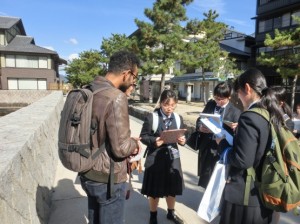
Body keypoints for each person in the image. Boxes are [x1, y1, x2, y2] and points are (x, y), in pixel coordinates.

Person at [79, 50, 141, 224]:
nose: (134, 81)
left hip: (88, 171)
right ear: (126, 73)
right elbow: (121, 148)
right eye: (135, 77)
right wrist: (134, 144)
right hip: (108, 179)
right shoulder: (116, 98)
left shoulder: (90, 90)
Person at [216, 68, 281, 224]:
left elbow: (242, 160)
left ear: (247, 88)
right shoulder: (271, 112)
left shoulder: (249, 117)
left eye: (238, 92)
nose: (237, 97)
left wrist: (222, 144)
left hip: (245, 195)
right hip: (265, 190)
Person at [140, 89, 186, 224]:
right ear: (161, 104)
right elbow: (143, 136)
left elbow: (181, 135)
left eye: (172, 105)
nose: (169, 108)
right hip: (155, 157)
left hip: (173, 157)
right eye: (166, 105)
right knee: (154, 189)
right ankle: (153, 215)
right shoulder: (152, 118)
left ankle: (171, 213)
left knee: (172, 188)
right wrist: (154, 141)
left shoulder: (178, 118)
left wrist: (182, 141)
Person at [195, 81, 241, 188]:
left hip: (222, 149)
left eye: (222, 99)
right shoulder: (211, 104)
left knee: (219, 181)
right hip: (207, 146)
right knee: (206, 179)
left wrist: (236, 128)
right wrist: (200, 127)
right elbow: (200, 119)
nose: (218, 101)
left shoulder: (235, 112)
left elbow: (238, 134)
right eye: (216, 98)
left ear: (229, 97)